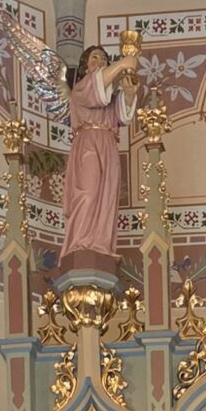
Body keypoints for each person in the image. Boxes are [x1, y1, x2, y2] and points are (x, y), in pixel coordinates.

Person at [59, 42, 137, 266]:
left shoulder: (109, 96)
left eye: (104, 59)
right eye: (95, 57)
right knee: (88, 193)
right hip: (88, 144)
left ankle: (101, 246)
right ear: (85, 65)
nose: (100, 61)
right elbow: (97, 87)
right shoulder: (81, 87)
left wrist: (129, 94)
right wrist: (123, 63)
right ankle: (80, 243)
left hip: (109, 145)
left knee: (107, 198)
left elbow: (123, 115)